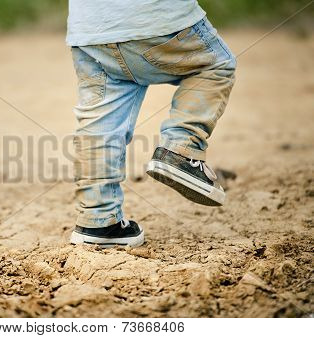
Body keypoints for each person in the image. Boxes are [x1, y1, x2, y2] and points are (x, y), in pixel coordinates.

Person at [67, 0, 236, 248]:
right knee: (215, 64)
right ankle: (181, 149)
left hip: (88, 29)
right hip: (156, 17)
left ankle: (98, 220)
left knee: (100, 117)